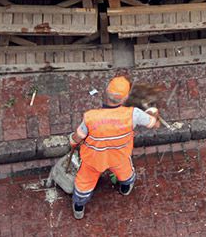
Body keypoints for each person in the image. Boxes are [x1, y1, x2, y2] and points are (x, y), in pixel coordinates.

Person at [69, 76, 161, 220]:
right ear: (124, 99)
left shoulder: (90, 117)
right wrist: (153, 111)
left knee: (84, 183)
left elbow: (77, 137)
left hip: (94, 160)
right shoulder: (133, 114)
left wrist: (72, 142)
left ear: (106, 92)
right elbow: (154, 124)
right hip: (119, 157)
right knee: (126, 174)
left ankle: (79, 208)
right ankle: (125, 189)